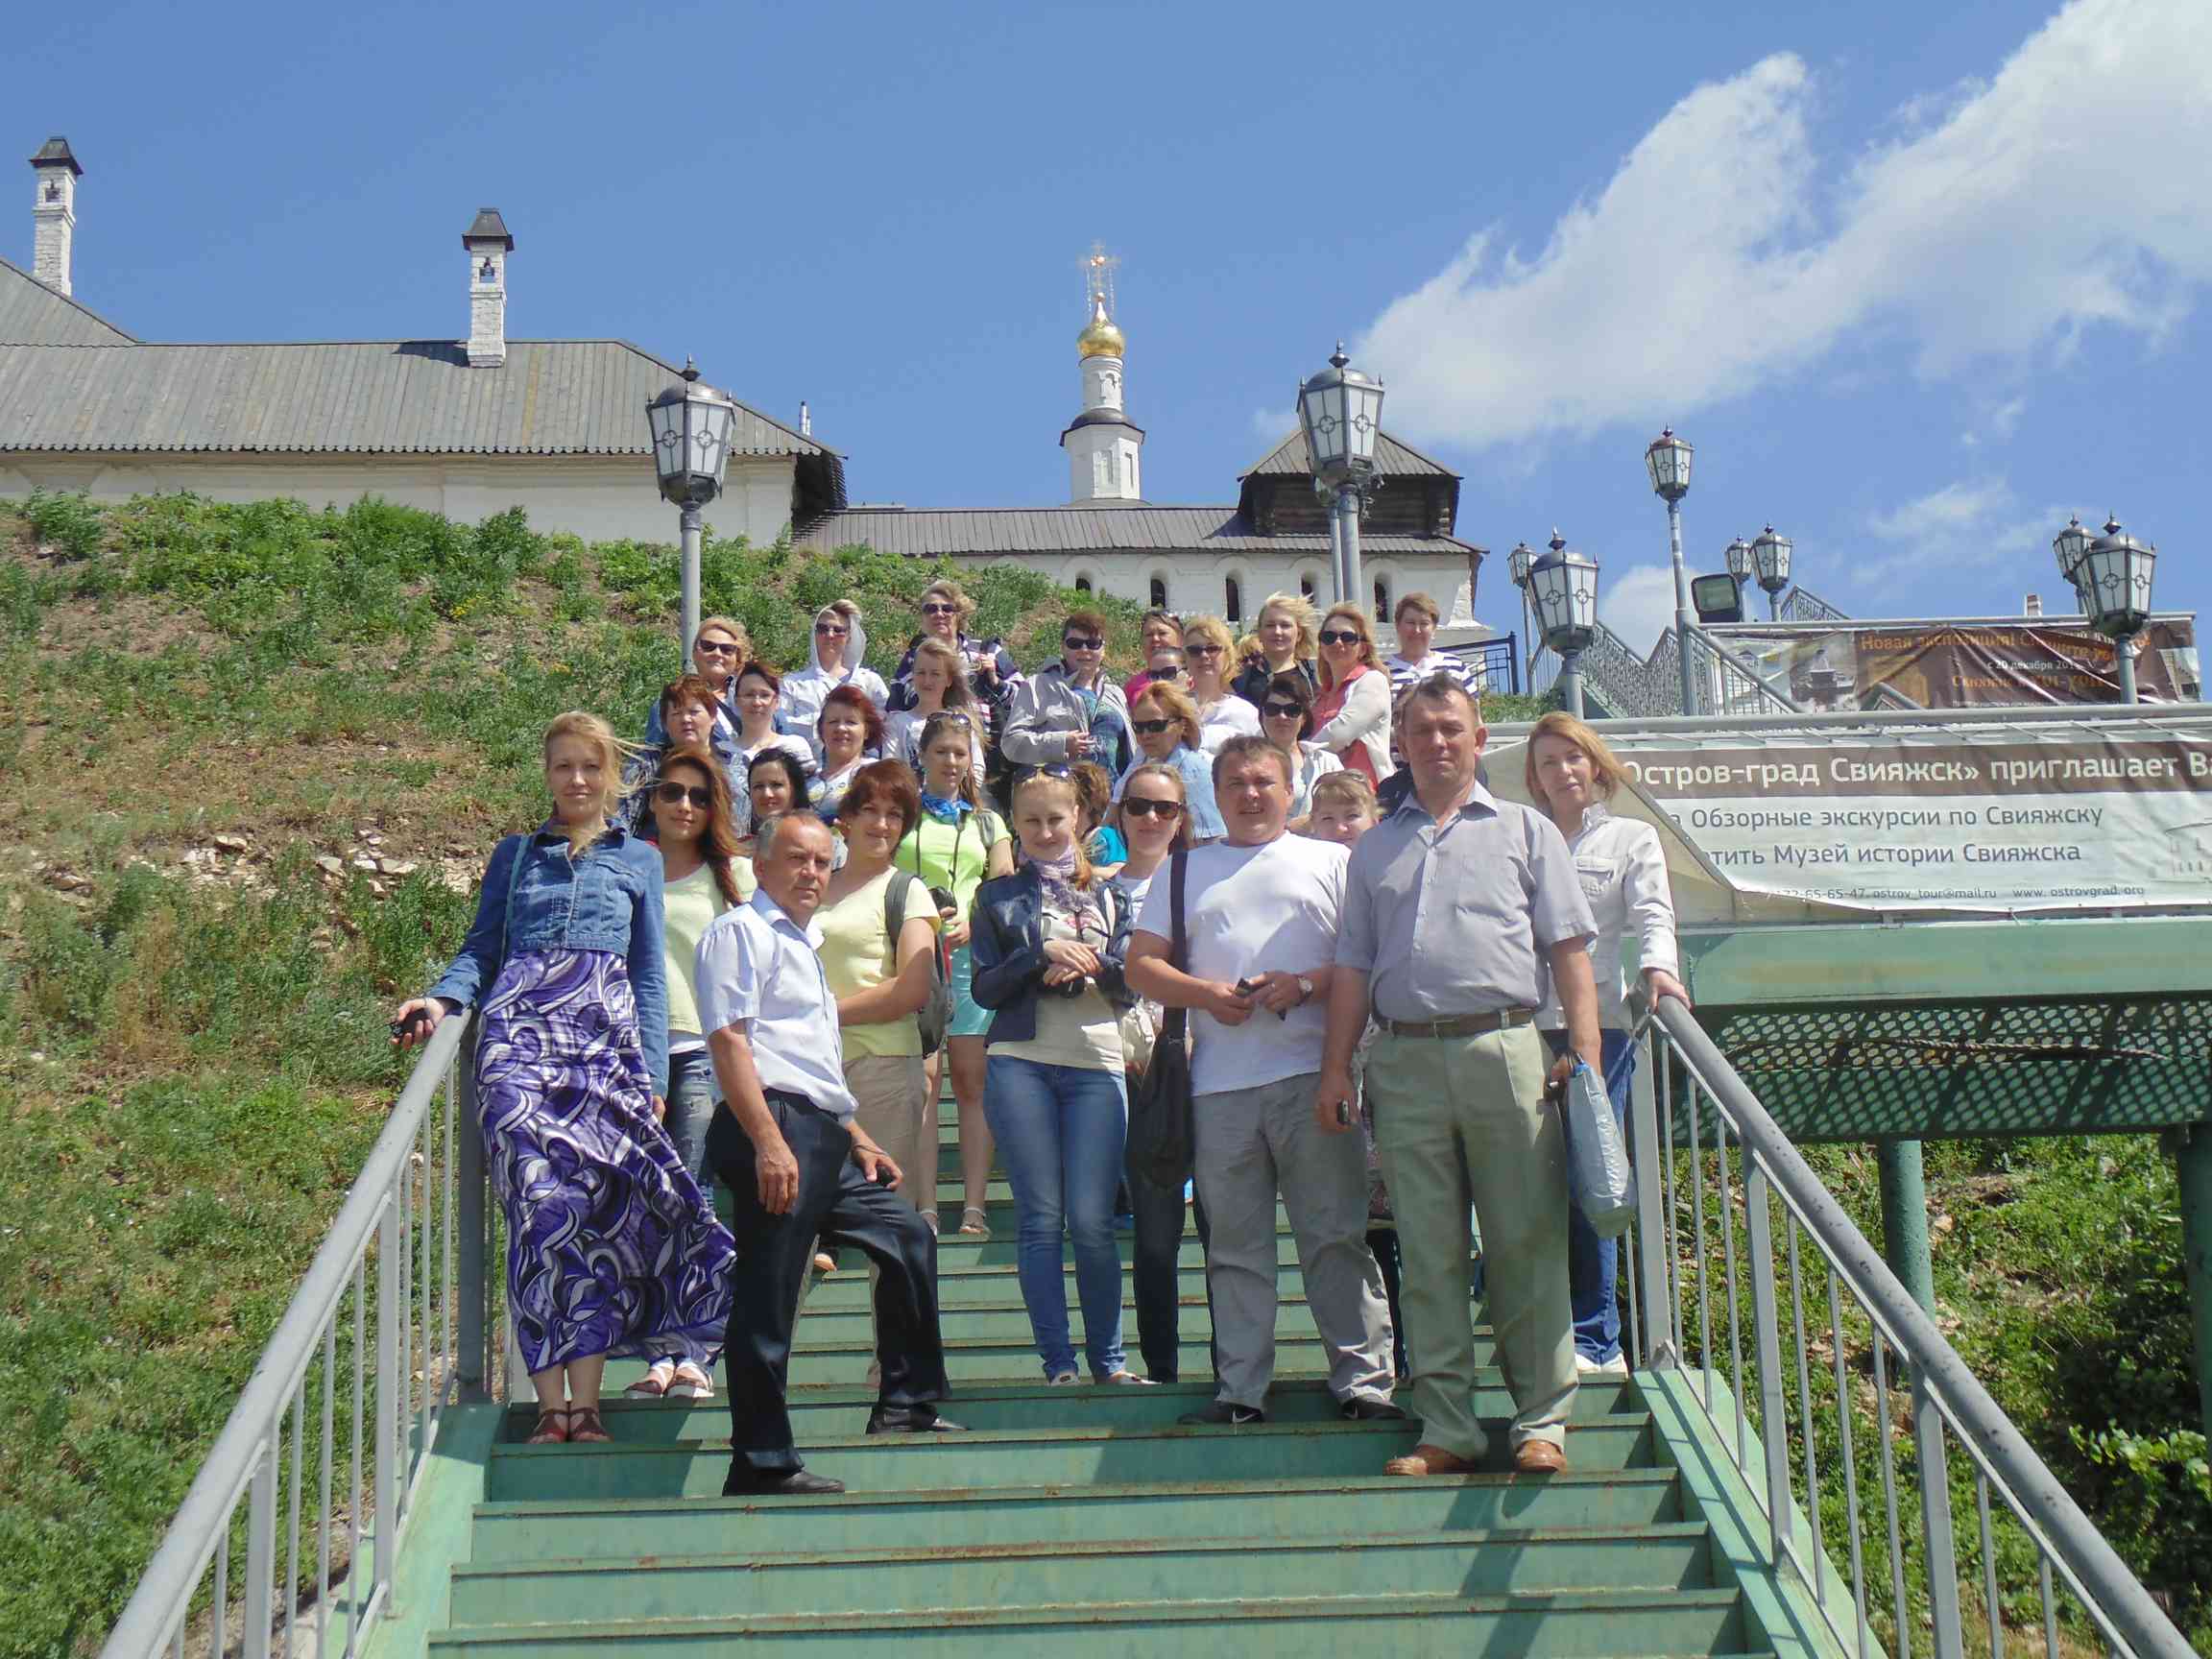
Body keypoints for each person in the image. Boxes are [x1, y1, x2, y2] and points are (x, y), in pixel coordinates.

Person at [392, 712, 733, 1447]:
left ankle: (589, 1402)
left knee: (597, 1216)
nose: (576, 781)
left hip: (602, 1050)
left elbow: (646, 974)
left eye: (589, 767)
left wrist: (648, 1072)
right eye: (563, 767)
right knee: (541, 1216)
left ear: (610, 777)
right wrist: (443, 999)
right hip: (518, 1048)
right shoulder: (516, 856)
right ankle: (554, 1408)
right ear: (546, 774)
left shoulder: (638, 859)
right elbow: (481, 950)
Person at [1316, 676, 1601, 1478]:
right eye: (1421, 730)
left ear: (1479, 740)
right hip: (1402, 1059)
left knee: (1525, 1242)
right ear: (1398, 742)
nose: (1437, 742)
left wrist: (1583, 1052)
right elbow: (1351, 966)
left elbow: (1569, 951)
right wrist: (1336, 1067)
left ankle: (1542, 1419)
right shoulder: (1372, 848)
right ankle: (1447, 1426)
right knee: (1430, 1249)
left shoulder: (1527, 831)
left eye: (1452, 729)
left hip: (1507, 1052)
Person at [1126, 735, 1398, 1427]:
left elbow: (1365, 967)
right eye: (1237, 783)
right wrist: (1203, 992)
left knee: (1335, 1235)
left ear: (1290, 789)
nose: (1251, 793)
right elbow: (1141, 966)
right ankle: (1241, 1389)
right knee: (1235, 1246)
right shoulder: (1184, 870)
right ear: (1216, 796)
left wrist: (1303, 985)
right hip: (1218, 1085)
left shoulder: (1333, 860)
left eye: (1264, 781)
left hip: (1314, 1074)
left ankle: (1365, 1381)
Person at [698, 809, 958, 1495]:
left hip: (821, 1130)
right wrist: (768, 1142)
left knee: (905, 1236)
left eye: (821, 862)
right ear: (761, 863)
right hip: (772, 1125)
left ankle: (904, 1404)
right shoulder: (739, 933)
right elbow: (730, 1042)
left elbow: (810, 1060)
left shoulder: (802, 945)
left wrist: (859, 1136)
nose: (812, 873)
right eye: (796, 859)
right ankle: (759, 1460)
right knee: (770, 1292)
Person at [1525, 710, 1689, 1380]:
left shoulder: (1630, 838)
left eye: (1572, 758)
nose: (1562, 771)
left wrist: (1661, 971)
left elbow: (1653, 910)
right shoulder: (1527, 840)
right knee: (1527, 1182)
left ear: (1594, 765)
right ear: (1534, 780)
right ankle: (1537, 1329)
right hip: (1525, 1026)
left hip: (1600, 1031)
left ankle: (1598, 1339)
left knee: (1591, 1175)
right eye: (1547, 763)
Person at [971, 770, 1146, 1384]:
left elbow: (1135, 981)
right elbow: (985, 987)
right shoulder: (997, 896)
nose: (1045, 832)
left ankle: (1111, 1361)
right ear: (1016, 827)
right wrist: (1038, 954)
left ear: (1079, 818)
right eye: (1031, 822)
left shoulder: (1113, 891)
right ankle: (1058, 1363)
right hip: (1020, 1057)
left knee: (1094, 1221)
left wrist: (1096, 966)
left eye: (1056, 819)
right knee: (1042, 1217)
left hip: (1097, 1059)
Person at [626, 741, 751, 1402]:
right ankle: (656, 1354)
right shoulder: (628, 865)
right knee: (648, 1202)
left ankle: (695, 1349)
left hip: (702, 1048)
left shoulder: (732, 876)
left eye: (699, 796)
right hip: (634, 1054)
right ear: (651, 799)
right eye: (671, 792)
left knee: (692, 1195)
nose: (684, 805)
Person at [1107, 762, 1211, 1384]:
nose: (1151, 819)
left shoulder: (1204, 884)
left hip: (1209, 1063)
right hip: (1130, 1072)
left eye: (1164, 808)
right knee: (1153, 1239)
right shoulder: (1096, 889)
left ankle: (1237, 1369)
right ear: (1120, 813)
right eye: (1139, 806)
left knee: (1225, 1232)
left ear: (1181, 818)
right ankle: (1163, 1366)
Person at [1300, 771, 1404, 1381]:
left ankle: (1416, 1353)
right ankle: (1375, 1354)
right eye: (1327, 818)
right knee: (1358, 1221)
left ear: (1373, 820)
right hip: (1334, 1057)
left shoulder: (1387, 874)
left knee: (1409, 1208)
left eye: (1351, 816)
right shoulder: (1308, 877)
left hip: (1390, 1050)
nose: (1340, 829)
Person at [896, 711, 1016, 1235]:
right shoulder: (902, 814)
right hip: (913, 956)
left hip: (968, 961)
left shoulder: (988, 821)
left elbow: (1004, 888)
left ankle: (973, 1206)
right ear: (922, 755)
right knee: (924, 1082)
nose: (950, 761)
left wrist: (973, 919)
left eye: (960, 753)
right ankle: (923, 1205)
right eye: (941, 751)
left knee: (971, 1082)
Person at [816, 761, 939, 1222]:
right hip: (812, 1069)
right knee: (802, 1216)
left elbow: (910, 988)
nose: (881, 823)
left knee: (889, 1220)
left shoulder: (907, 891)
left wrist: (824, 1014)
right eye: (870, 809)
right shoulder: (815, 886)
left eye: (894, 813)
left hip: (883, 1068)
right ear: (846, 817)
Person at [888, 580, 1022, 757]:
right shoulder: (913, 658)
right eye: (931, 609)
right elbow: (895, 706)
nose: (939, 614)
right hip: (936, 752)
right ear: (922, 617)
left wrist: (995, 683)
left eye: (947, 609)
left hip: (990, 752)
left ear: (959, 614)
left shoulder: (987, 650)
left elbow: (1023, 699)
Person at [1001, 609, 1135, 782]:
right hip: (1062, 793)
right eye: (1075, 643)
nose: (1084, 650)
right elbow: (1011, 743)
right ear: (1062, 647)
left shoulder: (1116, 693)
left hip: (1113, 798)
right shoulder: (1038, 685)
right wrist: (1060, 743)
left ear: (1104, 650)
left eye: (1093, 644)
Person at [620, 676, 742, 832]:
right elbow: (622, 824)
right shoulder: (645, 765)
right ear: (664, 723)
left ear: (712, 717)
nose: (685, 719)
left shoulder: (734, 766)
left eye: (694, 712)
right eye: (676, 713)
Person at [1116, 681, 1227, 841]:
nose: (1146, 734)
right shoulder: (1144, 762)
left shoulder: (1193, 770)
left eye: (1156, 725)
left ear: (1182, 725)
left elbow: (1211, 839)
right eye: (1138, 727)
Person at [782, 600, 890, 748]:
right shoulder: (792, 684)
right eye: (822, 629)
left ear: (849, 637)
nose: (830, 635)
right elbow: (781, 726)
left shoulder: (870, 681)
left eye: (838, 630)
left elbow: (886, 724)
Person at [884, 637, 985, 788]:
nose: (927, 681)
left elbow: (976, 770)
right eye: (921, 673)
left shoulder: (962, 722)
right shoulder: (897, 722)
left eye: (935, 674)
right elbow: (889, 769)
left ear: (949, 680)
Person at [1310, 604, 1392, 784]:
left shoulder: (1372, 681)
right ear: (1322, 647)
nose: (1337, 643)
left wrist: (1301, 755)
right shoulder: (1318, 696)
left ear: (1363, 648)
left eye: (1348, 637)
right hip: (1326, 794)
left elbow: (1341, 731)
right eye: (1328, 637)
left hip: (1366, 794)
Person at [731, 661, 817, 834]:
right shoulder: (720, 751)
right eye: (748, 695)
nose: (756, 702)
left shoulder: (795, 746)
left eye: (764, 695)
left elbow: (805, 801)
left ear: (776, 702)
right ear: (736, 701)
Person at [642, 616, 752, 748]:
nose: (717, 653)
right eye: (708, 646)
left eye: (727, 649)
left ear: (738, 657)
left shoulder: (759, 695)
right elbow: (653, 753)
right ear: (694, 653)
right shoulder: (671, 701)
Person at [1257, 671, 1343, 826]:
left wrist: (1309, 823)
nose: (1282, 717)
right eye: (1272, 709)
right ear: (1261, 716)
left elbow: (1344, 808)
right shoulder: (1246, 764)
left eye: (1292, 710)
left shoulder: (1326, 762)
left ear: (1304, 718)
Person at [1180, 615, 1262, 754]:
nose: (1204, 655)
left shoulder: (1246, 713)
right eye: (1195, 650)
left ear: (1227, 655)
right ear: (1185, 657)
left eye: (1212, 649)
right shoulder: (1171, 707)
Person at [1383, 592, 1480, 706]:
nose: (1417, 630)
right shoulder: (1383, 671)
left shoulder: (1455, 666)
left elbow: (1473, 713)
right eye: (1410, 623)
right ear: (1398, 626)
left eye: (1424, 623)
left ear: (1434, 629)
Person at [1230, 592, 1320, 706]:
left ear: (1299, 634)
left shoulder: (1316, 673)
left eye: (1285, 625)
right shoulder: (1240, 680)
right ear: (1260, 633)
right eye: (1270, 625)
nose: (1277, 632)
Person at [813, 684, 886, 822]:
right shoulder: (807, 780)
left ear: (867, 731)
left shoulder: (877, 774)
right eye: (833, 721)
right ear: (821, 729)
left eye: (851, 722)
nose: (841, 728)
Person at [739, 751, 813, 856]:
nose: (767, 794)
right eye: (758, 786)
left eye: (776, 785)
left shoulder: (823, 843)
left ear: (795, 789)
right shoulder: (738, 854)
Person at [1070, 760, 1125, 872]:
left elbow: (1118, 870)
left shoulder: (1104, 836)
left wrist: (1082, 871)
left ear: (1087, 805)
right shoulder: (1061, 837)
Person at [1123, 609, 1184, 703]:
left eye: (1162, 633)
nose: (1155, 639)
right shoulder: (1132, 686)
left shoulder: (1196, 678)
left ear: (1180, 639)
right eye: (1149, 635)